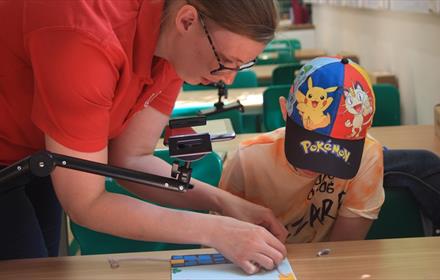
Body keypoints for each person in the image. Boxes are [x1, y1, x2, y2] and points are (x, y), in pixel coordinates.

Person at [0, 0, 288, 274]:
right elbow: (86, 204)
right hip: (8, 152)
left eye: (241, 65)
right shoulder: (86, 39)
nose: (228, 79)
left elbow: (131, 159)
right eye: (224, 61)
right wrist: (216, 231)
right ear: (187, 21)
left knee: (40, 267)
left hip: (34, 153)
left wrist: (223, 202)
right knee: (27, 266)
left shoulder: (178, 46)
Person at [220, 57, 385, 243]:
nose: (316, 164)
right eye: (309, 139)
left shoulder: (367, 156)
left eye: (338, 147)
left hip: (325, 266)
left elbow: (344, 250)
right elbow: (221, 237)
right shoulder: (248, 159)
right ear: (284, 110)